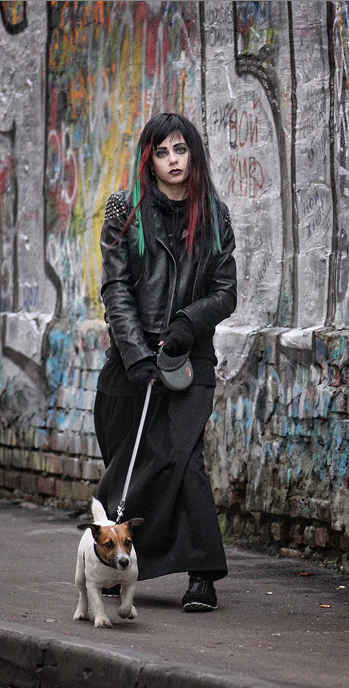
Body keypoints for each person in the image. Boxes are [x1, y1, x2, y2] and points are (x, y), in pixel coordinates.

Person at [94, 112, 237, 612]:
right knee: (129, 464)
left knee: (184, 459)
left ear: (193, 155)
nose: (174, 160)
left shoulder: (213, 214)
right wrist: (135, 355)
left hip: (188, 361)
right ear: (148, 159)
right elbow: (115, 289)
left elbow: (226, 292)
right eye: (163, 152)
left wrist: (187, 324)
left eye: (181, 150)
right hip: (133, 362)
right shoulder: (124, 209)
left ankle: (203, 576)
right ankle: (113, 565)